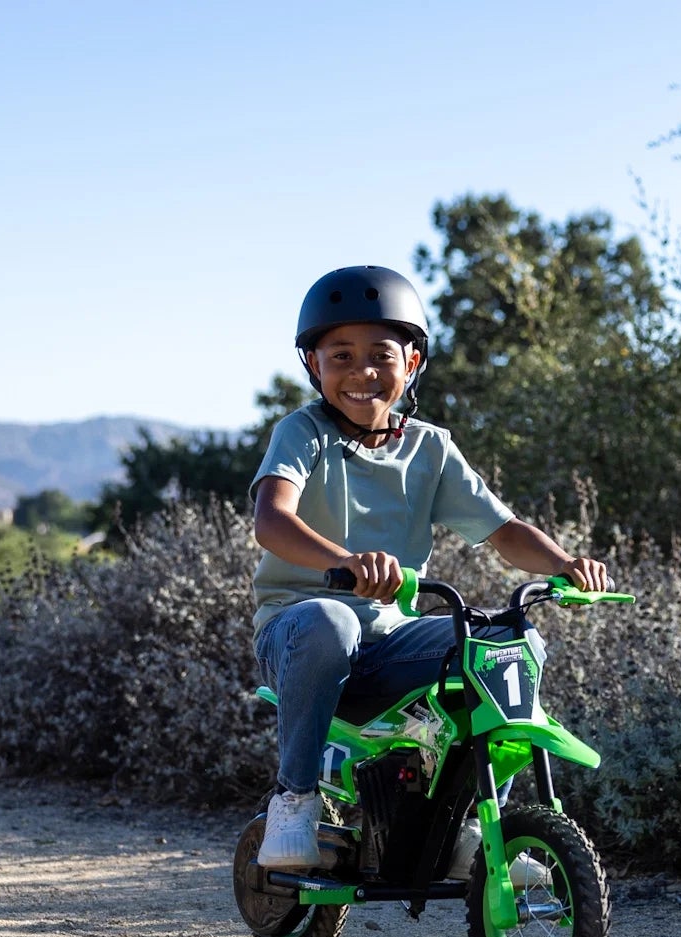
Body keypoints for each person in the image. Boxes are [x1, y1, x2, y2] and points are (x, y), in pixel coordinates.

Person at [250, 264, 611, 869]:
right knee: (331, 620)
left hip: (391, 639)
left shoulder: (431, 447)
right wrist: (344, 562)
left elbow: (504, 530)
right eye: (340, 355)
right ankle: (295, 800)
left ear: (412, 362)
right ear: (313, 366)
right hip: (298, 632)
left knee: (507, 641)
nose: (362, 372)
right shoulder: (302, 432)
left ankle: (470, 822)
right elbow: (272, 520)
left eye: (380, 355)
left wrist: (565, 564)